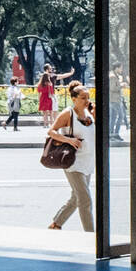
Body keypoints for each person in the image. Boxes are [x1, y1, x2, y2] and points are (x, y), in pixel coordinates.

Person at [46, 82, 96, 233]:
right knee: (85, 199)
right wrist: (69, 140)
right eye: (83, 98)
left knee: (76, 197)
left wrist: (94, 114)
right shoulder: (68, 113)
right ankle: (91, 236)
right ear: (74, 99)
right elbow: (51, 132)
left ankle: (56, 223)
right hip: (73, 163)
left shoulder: (88, 114)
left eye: (88, 97)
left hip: (87, 162)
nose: (86, 100)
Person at [109, 63, 129, 141]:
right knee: (121, 116)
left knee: (113, 117)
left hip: (115, 100)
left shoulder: (114, 76)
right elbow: (113, 88)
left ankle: (112, 134)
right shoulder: (113, 77)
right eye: (120, 68)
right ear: (116, 68)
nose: (121, 70)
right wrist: (122, 85)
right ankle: (115, 133)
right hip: (115, 100)